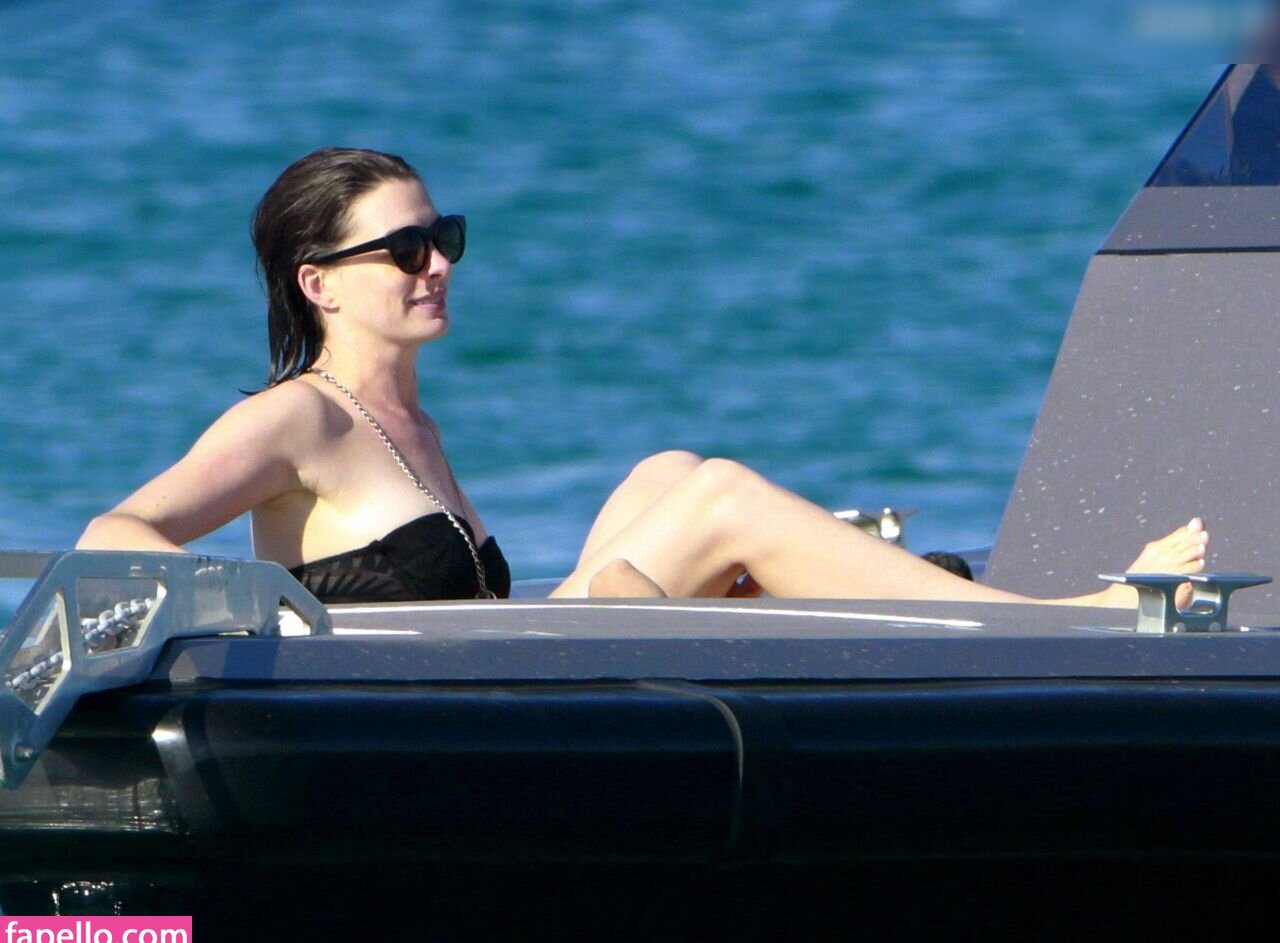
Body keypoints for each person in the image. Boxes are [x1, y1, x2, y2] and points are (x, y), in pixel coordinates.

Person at [76, 147, 1210, 607]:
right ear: (318, 283)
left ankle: (885, 599)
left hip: (498, 676)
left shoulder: (407, 423)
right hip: (433, 706)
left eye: (444, 238)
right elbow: (115, 533)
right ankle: (1053, 619)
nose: (437, 266)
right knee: (714, 497)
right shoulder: (297, 419)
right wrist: (259, 613)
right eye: (405, 250)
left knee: (667, 471)